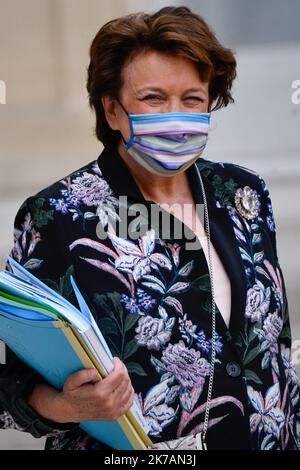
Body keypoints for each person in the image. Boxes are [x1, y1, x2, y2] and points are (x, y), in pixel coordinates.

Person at [0, 6, 299, 450]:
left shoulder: (243, 194)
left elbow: (275, 348)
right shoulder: (58, 216)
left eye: (193, 99)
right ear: (113, 110)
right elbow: (12, 386)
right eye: (153, 99)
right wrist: (68, 406)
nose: (176, 118)